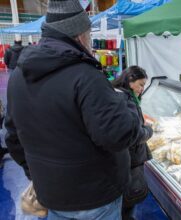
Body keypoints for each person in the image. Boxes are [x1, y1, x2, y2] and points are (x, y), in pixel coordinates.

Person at [5, 0, 143, 219]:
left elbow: (13, 137)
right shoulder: (85, 76)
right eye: (89, 33)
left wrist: (39, 175)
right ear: (80, 35)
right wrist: (129, 106)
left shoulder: (19, 76)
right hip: (95, 197)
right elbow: (119, 135)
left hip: (50, 194)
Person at [112, 66, 153, 220]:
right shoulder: (126, 100)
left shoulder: (116, 93)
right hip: (131, 158)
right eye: (141, 84)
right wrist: (149, 131)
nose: (142, 89)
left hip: (122, 156)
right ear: (130, 81)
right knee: (131, 195)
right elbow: (133, 135)